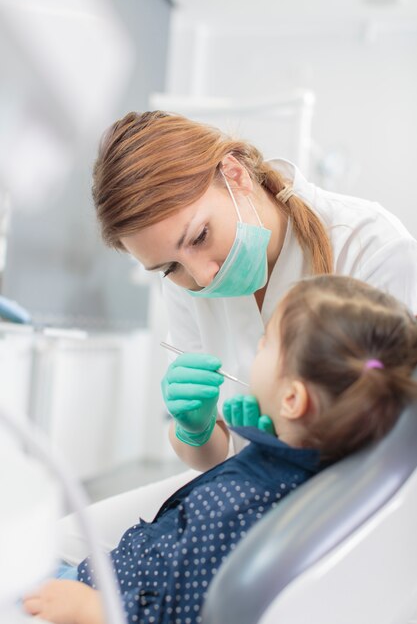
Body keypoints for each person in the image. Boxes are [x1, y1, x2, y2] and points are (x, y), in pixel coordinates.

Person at [56, 108, 417, 566]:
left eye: (200, 236)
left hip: (339, 499)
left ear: (235, 174)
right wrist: (195, 426)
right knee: (56, 545)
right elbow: (212, 455)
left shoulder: (371, 247)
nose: (201, 276)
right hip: (244, 480)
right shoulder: (184, 280)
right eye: (168, 267)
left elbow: (390, 454)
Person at [23, 275, 417, 624]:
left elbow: (180, 613)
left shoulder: (232, 507)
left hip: (96, 598)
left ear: (293, 400)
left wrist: (93, 611)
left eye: (266, 344)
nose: (255, 352)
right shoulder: (303, 471)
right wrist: (262, 446)